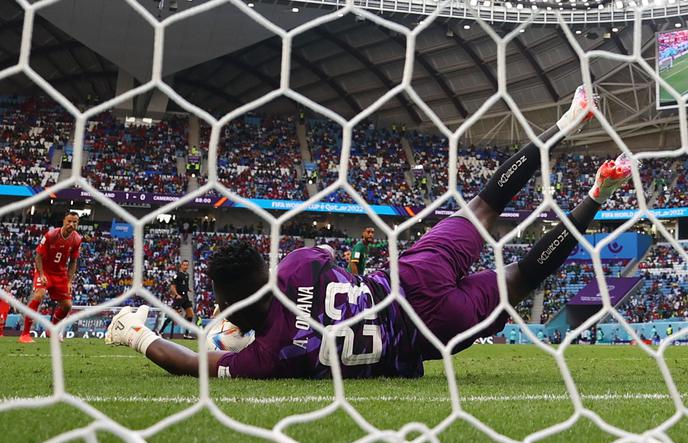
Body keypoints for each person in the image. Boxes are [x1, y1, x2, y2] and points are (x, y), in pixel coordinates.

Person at [106, 85, 633, 378]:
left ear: (235, 308)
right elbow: (328, 255)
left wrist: (138, 335)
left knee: (521, 277)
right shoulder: (294, 267)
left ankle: (595, 195)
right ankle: (568, 121)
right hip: (408, 279)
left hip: (426, 334)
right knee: (485, 206)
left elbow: (188, 366)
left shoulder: (272, 355)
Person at [19, 211, 82, 343]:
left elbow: (73, 262)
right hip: (45, 271)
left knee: (67, 306)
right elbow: (38, 256)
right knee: (39, 295)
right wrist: (41, 274)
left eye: (74, 222)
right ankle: (25, 334)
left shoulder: (77, 239)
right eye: (69, 221)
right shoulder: (51, 235)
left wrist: (69, 281)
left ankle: (51, 330)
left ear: (78, 223)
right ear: (64, 221)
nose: (71, 224)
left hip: (60, 274)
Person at [158, 260, 195, 339]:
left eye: (187, 265)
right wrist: (176, 294)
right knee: (173, 316)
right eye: (184, 265)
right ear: (181, 266)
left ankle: (186, 334)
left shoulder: (187, 275)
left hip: (185, 297)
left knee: (191, 315)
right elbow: (172, 286)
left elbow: (184, 285)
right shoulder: (177, 275)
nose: (185, 266)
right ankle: (160, 331)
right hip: (179, 298)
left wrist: (188, 289)